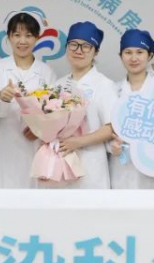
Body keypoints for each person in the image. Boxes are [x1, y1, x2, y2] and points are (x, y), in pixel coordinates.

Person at [0, 11, 56, 188]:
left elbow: (54, 112)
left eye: (28, 35)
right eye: (17, 35)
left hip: (31, 145)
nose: (22, 41)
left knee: (29, 194)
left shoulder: (47, 72)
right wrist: (2, 98)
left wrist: (40, 128)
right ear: (8, 37)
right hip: (0, 143)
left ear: (37, 38)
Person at [44, 21, 116, 189]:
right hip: (59, 163)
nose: (78, 50)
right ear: (66, 47)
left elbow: (111, 127)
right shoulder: (58, 85)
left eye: (86, 46)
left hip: (90, 166)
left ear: (96, 51)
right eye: (73, 44)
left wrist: (78, 142)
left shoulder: (104, 85)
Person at [109, 28, 154, 189]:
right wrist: (112, 147)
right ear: (120, 56)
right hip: (122, 168)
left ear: (150, 56)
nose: (134, 58)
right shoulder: (113, 90)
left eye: (140, 52)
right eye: (128, 52)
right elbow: (106, 129)